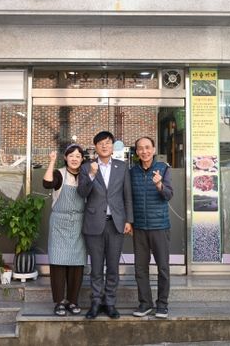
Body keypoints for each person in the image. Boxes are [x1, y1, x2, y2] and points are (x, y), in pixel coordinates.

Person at [77, 131, 133, 319]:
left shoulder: (122, 167)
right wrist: (92, 175)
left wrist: (129, 220)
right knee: (96, 267)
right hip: (94, 223)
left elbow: (127, 196)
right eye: (100, 143)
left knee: (113, 267)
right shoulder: (87, 167)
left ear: (112, 146)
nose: (104, 146)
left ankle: (110, 303)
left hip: (116, 223)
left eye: (107, 142)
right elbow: (82, 193)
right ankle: (95, 302)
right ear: (95, 147)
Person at [130, 136, 174, 319]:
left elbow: (169, 195)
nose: (144, 151)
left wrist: (159, 184)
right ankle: (145, 303)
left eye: (148, 147)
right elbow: (128, 198)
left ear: (154, 150)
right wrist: (129, 221)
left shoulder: (163, 169)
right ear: (136, 152)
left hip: (159, 226)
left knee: (163, 267)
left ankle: (162, 304)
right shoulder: (132, 172)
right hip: (139, 227)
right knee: (140, 268)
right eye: (140, 148)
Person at [43, 144, 87, 317]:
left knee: (77, 264)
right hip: (59, 223)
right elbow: (47, 183)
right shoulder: (59, 174)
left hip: (79, 222)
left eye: (78, 156)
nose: (74, 159)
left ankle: (73, 301)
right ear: (66, 158)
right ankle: (59, 302)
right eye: (71, 156)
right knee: (58, 263)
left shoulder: (85, 175)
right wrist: (51, 162)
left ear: (82, 159)